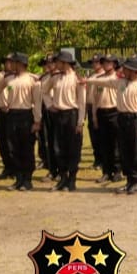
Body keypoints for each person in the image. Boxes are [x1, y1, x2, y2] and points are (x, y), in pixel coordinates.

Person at [83, 56, 137, 195]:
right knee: (124, 150)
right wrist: (87, 80)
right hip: (121, 118)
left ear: (133, 71)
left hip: (134, 119)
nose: (123, 70)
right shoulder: (119, 82)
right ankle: (129, 181)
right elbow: (102, 81)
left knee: (135, 150)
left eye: (126, 69)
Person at [0, 52, 43, 191]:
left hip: (26, 115)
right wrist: (2, 104)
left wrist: (37, 120)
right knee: (12, 147)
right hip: (12, 115)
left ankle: (27, 179)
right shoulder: (9, 79)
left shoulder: (32, 80)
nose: (10, 65)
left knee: (26, 148)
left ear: (21, 64)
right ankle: (18, 178)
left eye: (14, 62)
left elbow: (37, 102)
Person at [40, 50, 86, 192]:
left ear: (65, 63)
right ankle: (63, 178)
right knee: (58, 148)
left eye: (58, 62)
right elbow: (44, 91)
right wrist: (50, 105)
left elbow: (82, 102)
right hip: (59, 114)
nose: (55, 64)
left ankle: (72, 180)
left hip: (72, 115)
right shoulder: (55, 77)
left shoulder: (77, 78)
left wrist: (80, 122)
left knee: (72, 149)